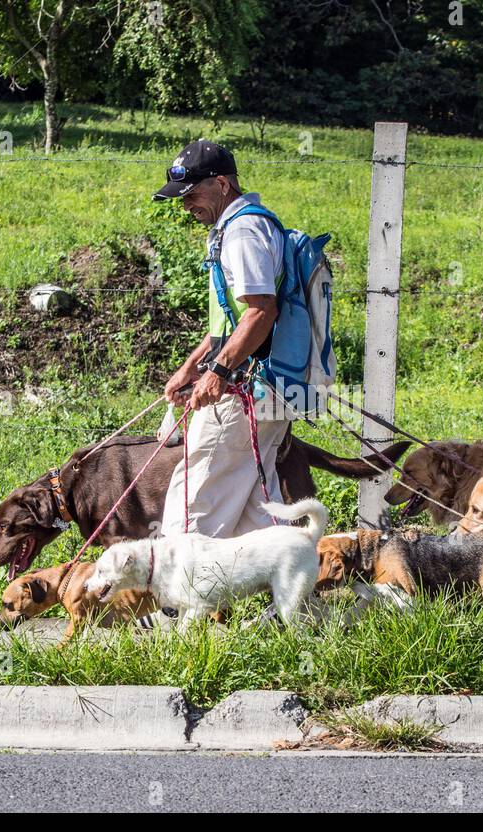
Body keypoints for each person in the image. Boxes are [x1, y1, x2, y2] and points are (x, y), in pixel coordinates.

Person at [153, 139, 290, 537]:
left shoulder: (243, 232)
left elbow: (261, 311)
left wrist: (219, 373)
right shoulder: (238, 226)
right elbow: (231, 323)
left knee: (192, 504)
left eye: (192, 193)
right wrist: (192, 368)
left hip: (246, 387)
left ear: (222, 184)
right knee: (257, 511)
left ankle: (184, 599)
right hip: (264, 384)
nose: (186, 205)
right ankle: (296, 594)